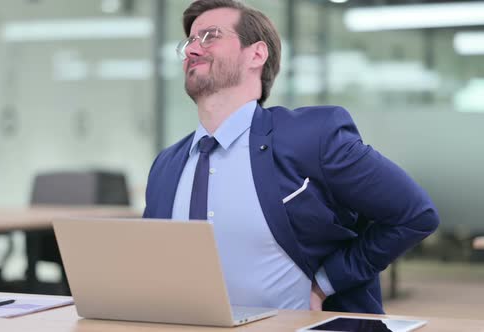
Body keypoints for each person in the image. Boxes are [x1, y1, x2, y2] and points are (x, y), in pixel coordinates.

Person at [143, 0, 439, 314]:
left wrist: (327, 283)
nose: (192, 50)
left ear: (256, 54)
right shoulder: (167, 165)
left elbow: (414, 214)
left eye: (210, 36)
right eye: (189, 41)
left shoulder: (313, 137)